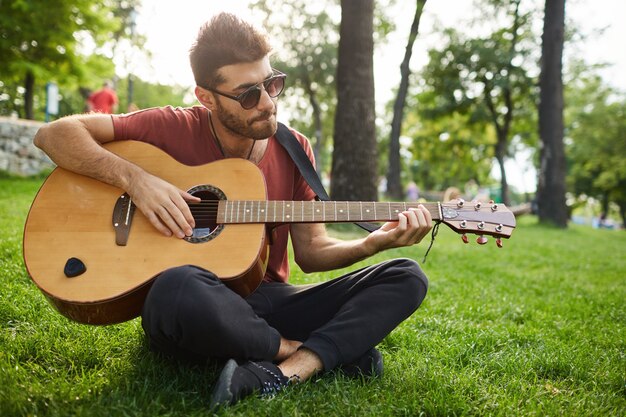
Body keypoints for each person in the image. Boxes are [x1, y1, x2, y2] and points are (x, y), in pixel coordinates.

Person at [33, 13, 432, 408]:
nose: (267, 103)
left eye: (272, 84)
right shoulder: (170, 127)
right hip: (197, 306)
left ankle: (285, 369)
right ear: (206, 97)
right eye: (247, 95)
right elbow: (53, 134)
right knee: (176, 288)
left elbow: (311, 254)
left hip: (271, 301)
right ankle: (311, 353)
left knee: (406, 276)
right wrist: (137, 181)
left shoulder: (295, 149)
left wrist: (374, 242)